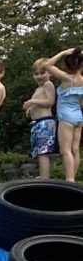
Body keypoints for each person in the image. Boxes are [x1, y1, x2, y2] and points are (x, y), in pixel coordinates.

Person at [44, 47, 83, 183]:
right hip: (79, 116)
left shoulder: (66, 78)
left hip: (66, 117)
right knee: (75, 149)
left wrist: (63, 52)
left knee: (65, 150)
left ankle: (69, 179)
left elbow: (47, 65)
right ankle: (73, 177)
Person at [25, 58, 58, 179]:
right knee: (39, 152)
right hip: (37, 123)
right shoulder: (38, 89)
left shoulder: (48, 85)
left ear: (50, 73)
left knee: (43, 152)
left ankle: (45, 177)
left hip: (45, 122)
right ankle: (43, 175)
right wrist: (30, 109)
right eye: (36, 74)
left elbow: (50, 101)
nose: (39, 76)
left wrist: (32, 101)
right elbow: (38, 103)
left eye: (42, 73)